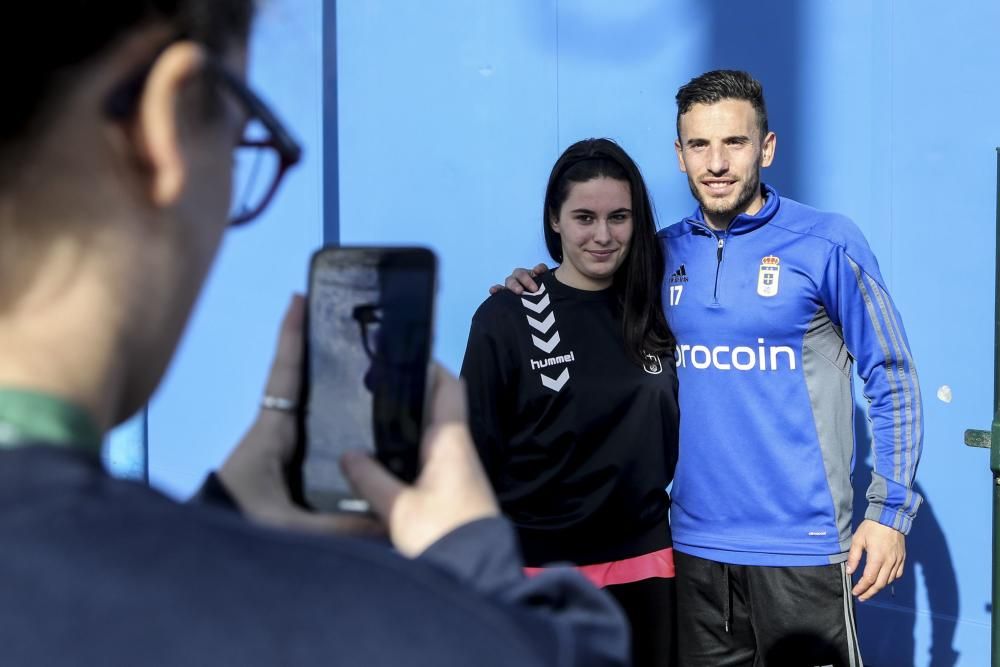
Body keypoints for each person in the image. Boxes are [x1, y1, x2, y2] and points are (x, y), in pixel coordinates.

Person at [0, 4, 629, 665]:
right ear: (165, 125)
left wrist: (228, 511)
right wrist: (470, 552)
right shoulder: (345, 628)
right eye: (247, 137)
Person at [502, 70, 923, 666]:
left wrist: (890, 513)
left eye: (735, 142)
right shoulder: (657, 253)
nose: (717, 163)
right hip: (693, 550)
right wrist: (530, 287)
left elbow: (892, 375)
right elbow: (585, 281)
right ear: (679, 155)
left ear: (767, 148)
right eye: (699, 145)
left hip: (801, 549)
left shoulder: (826, 243)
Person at [462, 138, 679, 666]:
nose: (602, 235)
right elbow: (471, 455)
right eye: (584, 217)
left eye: (619, 217)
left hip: (645, 566)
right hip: (538, 574)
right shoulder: (507, 317)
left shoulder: (660, 306)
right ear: (555, 221)